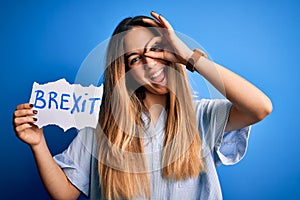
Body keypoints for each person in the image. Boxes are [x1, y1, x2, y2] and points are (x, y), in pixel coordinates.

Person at [12, 11, 272, 200]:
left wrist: (189, 57)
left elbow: (260, 107)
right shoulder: (103, 127)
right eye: (136, 58)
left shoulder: (201, 115)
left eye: (157, 49)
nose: (150, 62)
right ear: (124, 72)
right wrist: (38, 144)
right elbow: (64, 193)